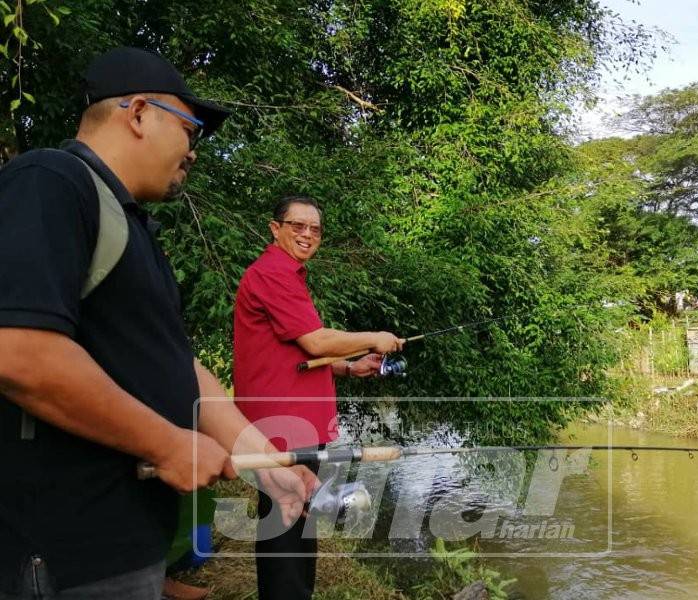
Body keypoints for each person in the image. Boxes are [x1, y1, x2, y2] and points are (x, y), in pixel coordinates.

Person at [0, 47, 316, 599]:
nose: (194, 150)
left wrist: (265, 465)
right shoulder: (50, 181)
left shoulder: (135, 230)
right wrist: (167, 443)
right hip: (61, 554)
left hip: (128, 545)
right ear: (138, 113)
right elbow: (20, 352)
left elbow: (182, 369)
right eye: (191, 129)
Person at [233, 195, 404, 600]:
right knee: (286, 525)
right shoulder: (273, 272)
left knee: (299, 520)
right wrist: (375, 337)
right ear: (275, 229)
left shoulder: (288, 276)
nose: (308, 234)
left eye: (315, 229)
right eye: (298, 226)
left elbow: (295, 353)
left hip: (296, 422)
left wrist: (350, 366)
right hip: (283, 425)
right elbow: (315, 341)